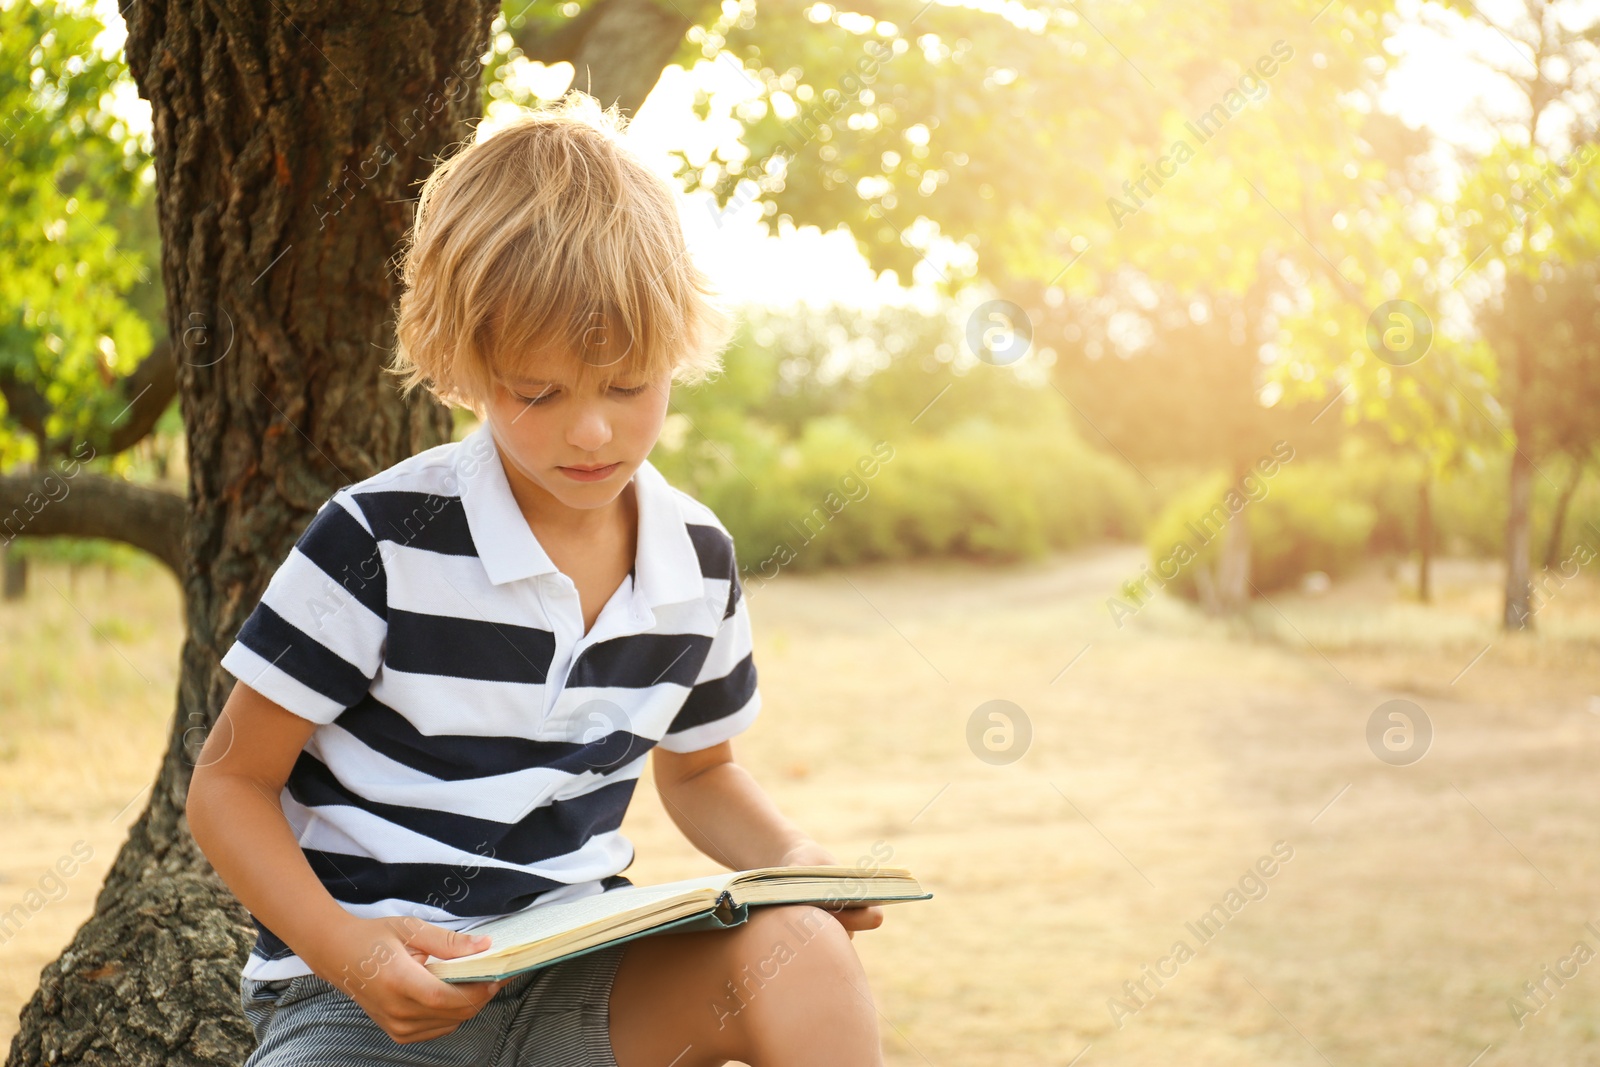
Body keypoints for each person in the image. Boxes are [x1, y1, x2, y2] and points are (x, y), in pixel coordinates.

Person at [186, 91, 886, 1067]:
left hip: (582, 971)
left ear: (678, 349)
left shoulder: (698, 560)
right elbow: (226, 784)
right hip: (369, 996)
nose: (591, 430)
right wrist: (349, 949)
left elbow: (703, 770)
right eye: (539, 391)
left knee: (800, 946)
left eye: (628, 384)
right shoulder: (381, 537)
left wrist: (797, 862)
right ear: (465, 364)